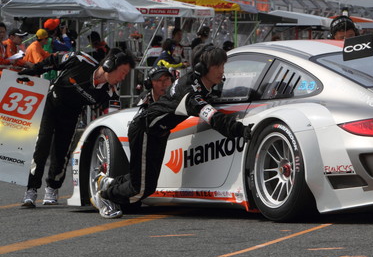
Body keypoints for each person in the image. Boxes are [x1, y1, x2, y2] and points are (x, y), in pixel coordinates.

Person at [92, 43, 253, 218]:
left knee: (144, 181)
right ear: (202, 68)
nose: (222, 70)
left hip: (158, 132)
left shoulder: (196, 82)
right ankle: (104, 196)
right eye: (218, 66)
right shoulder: (190, 94)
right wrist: (241, 130)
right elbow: (214, 118)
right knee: (142, 189)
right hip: (145, 129)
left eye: (222, 65)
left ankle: (108, 183)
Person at [19, 48, 136, 208]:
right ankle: (31, 189)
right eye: (122, 73)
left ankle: (52, 187)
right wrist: (35, 70)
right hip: (50, 105)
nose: (123, 78)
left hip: (71, 115)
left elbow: (113, 119)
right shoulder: (80, 60)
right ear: (109, 65)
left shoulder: (110, 94)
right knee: (41, 145)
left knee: (62, 152)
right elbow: (54, 60)